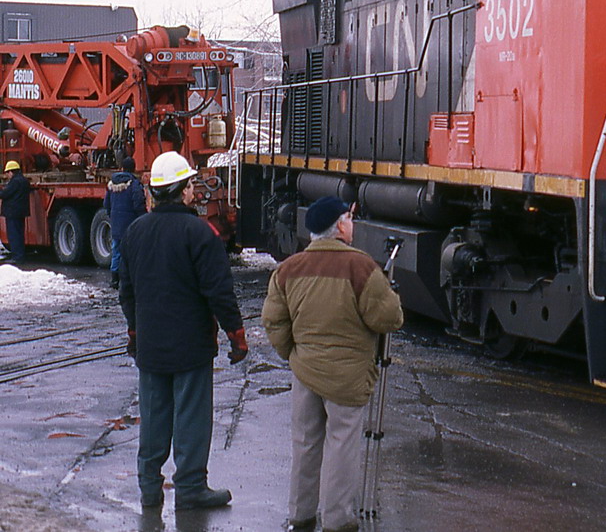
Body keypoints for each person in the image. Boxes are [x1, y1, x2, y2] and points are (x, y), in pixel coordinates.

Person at [263, 195, 403, 532]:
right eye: (349, 219)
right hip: (348, 377)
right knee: (341, 445)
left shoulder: (287, 269)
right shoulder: (362, 267)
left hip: (305, 371)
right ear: (340, 226)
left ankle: (301, 515)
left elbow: (273, 322)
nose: (352, 225)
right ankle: (338, 520)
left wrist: (293, 356)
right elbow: (389, 318)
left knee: (305, 443)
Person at [118, 150, 247, 511]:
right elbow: (219, 292)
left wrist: (134, 333)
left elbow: (126, 292)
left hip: (151, 347)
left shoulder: (135, 232)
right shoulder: (200, 233)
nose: (194, 189)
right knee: (191, 416)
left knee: (154, 417)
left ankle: (149, 489)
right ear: (182, 190)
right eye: (190, 184)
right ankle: (190, 488)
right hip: (192, 347)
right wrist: (237, 336)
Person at [104, 156, 147, 288]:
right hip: (130, 224)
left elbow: (106, 204)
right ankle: (130, 278)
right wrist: (143, 218)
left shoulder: (112, 185)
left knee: (116, 251)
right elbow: (138, 204)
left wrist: (112, 216)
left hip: (116, 223)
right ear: (133, 169)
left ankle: (114, 279)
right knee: (131, 252)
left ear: (121, 168)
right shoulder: (134, 185)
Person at [0, 161, 32, 263]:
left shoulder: (15, 182)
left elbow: (5, 194)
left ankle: (17, 257)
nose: (7, 175)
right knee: (19, 234)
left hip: (12, 213)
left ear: (11, 172)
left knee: (14, 235)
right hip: (20, 212)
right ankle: (19, 255)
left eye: (7, 173)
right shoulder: (24, 181)